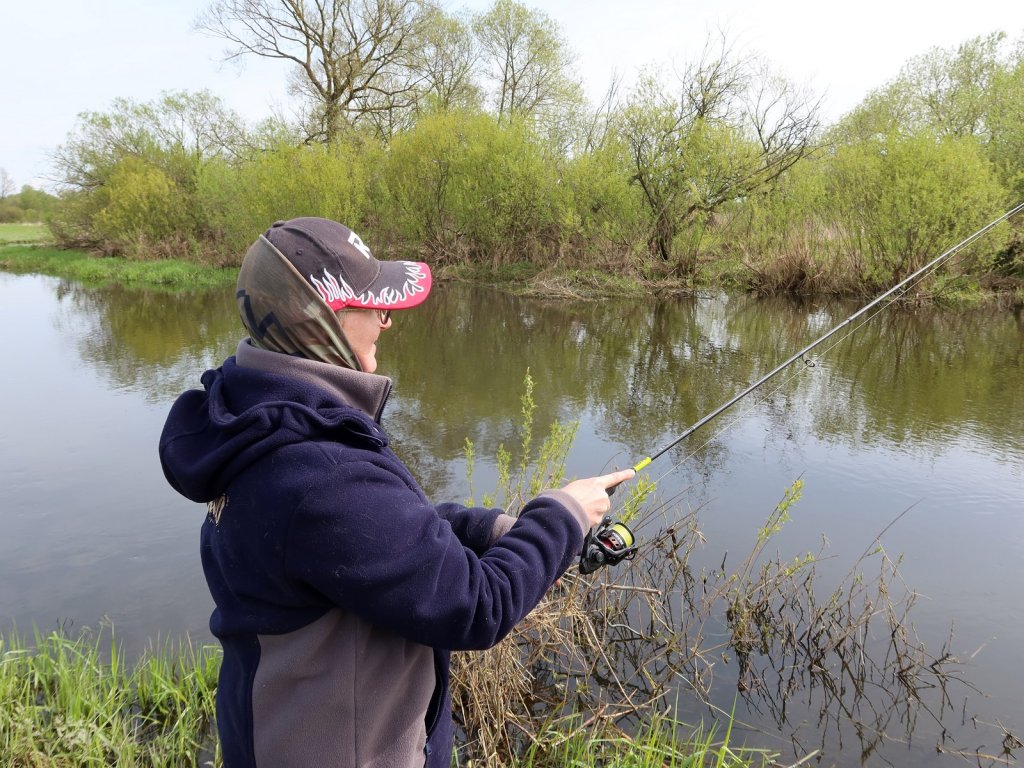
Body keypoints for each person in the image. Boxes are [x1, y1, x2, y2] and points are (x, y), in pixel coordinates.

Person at [158, 217, 633, 768]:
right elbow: (475, 605)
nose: (386, 319)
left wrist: (493, 530)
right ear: (319, 321)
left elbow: (379, 529)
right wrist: (564, 515)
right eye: (371, 304)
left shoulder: (258, 423)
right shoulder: (320, 471)